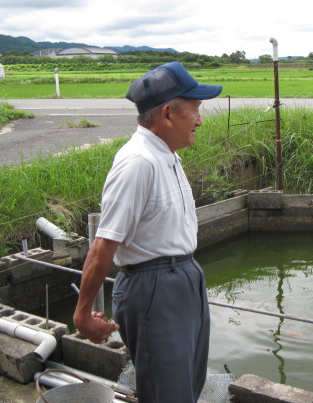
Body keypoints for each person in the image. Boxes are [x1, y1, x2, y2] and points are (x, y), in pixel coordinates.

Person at [73, 61, 222, 402]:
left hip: (182, 278)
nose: (200, 120)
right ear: (167, 114)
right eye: (195, 110)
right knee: (165, 393)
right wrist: (82, 313)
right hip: (155, 286)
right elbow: (103, 245)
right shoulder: (138, 162)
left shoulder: (166, 154)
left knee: (186, 388)